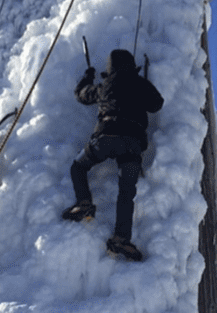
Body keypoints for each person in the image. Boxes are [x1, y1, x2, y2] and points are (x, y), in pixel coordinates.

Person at [62, 49, 164, 261]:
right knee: (126, 192)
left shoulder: (104, 86)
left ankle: (84, 202)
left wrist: (88, 76)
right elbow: (157, 104)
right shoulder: (139, 83)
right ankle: (121, 239)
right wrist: (143, 84)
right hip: (133, 143)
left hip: (106, 137)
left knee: (78, 167)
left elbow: (81, 95)